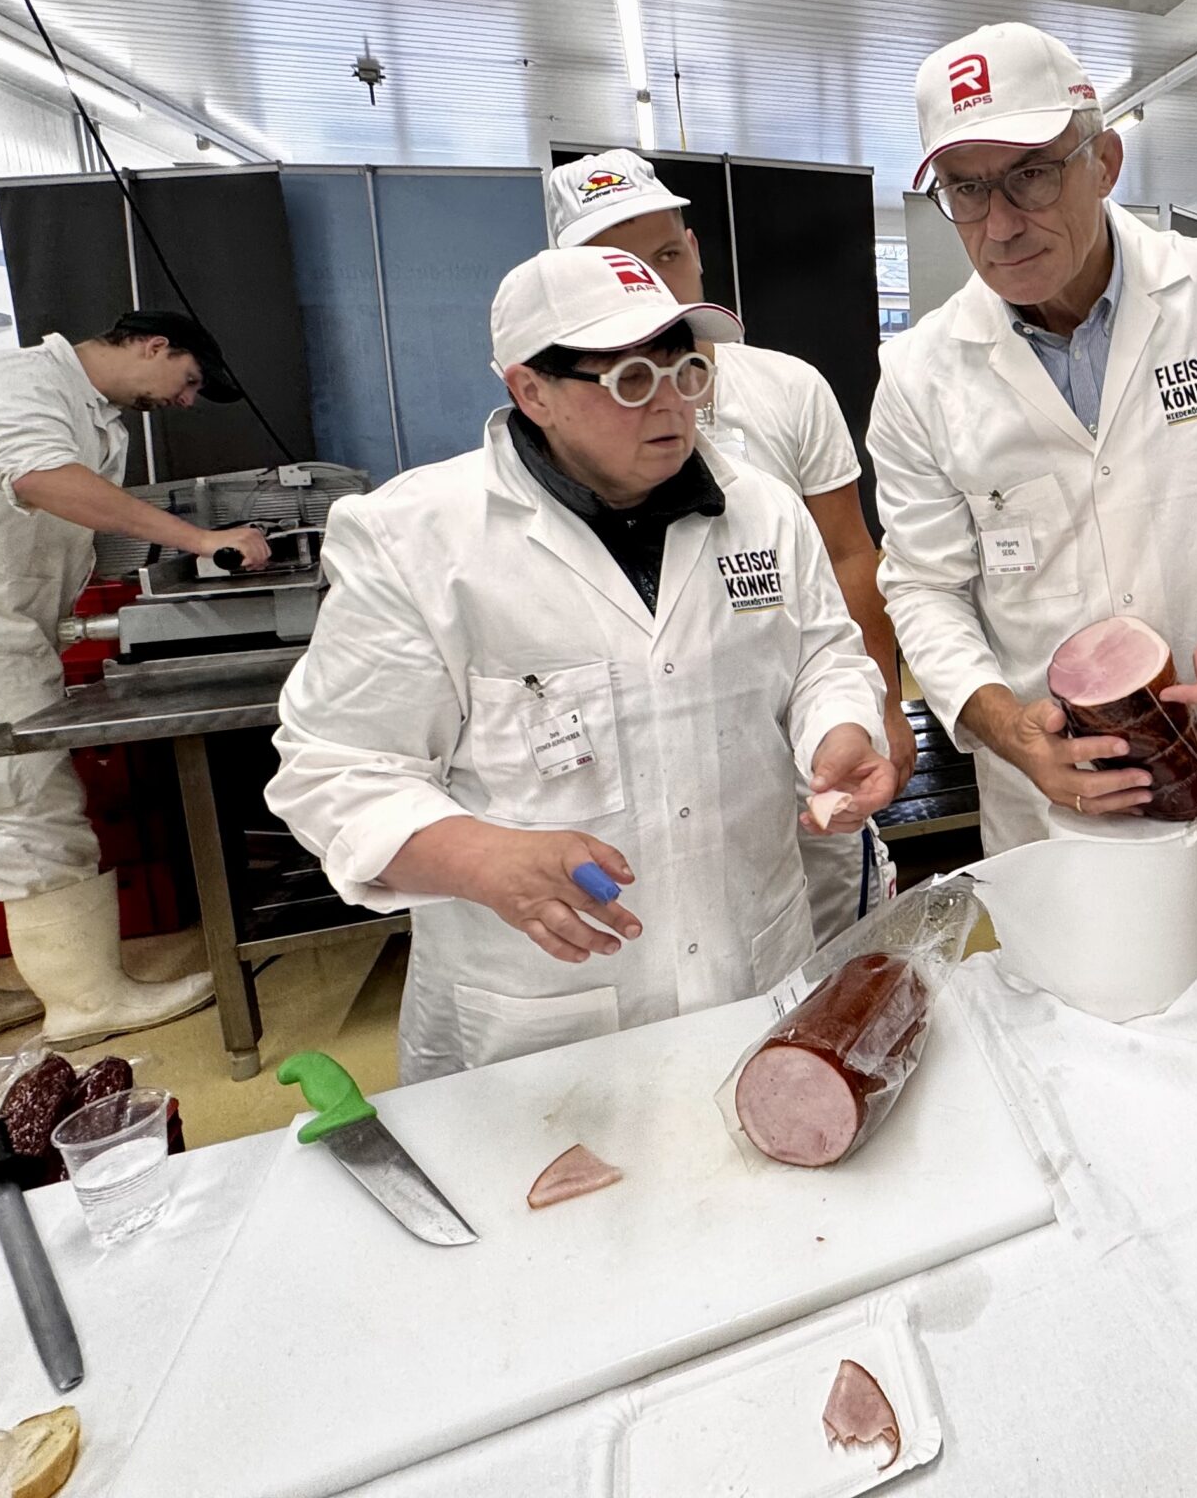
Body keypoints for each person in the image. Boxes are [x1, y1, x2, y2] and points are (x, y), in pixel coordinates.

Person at [265, 246, 895, 1082]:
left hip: (754, 964)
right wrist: (481, 859)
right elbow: (335, 771)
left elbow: (821, 654)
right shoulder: (416, 542)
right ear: (532, 391)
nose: (671, 406)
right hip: (545, 1016)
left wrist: (837, 730)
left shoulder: (762, 511)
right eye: (631, 380)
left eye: (687, 372)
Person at [868, 23, 1197, 1062]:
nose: (999, 222)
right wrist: (1005, 729)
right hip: (1057, 771)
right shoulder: (919, 374)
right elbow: (920, 584)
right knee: (1086, 1039)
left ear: (1103, 159)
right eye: (964, 189)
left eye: (1030, 174)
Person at [0, 312, 263, 1052]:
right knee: (23, 818)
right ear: (153, 345)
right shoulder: (15, 379)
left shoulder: (95, 418)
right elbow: (40, 480)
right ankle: (88, 1000)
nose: (186, 399)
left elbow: (67, 522)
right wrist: (202, 540)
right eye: (189, 379)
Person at [543, 149, 915, 941]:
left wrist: (882, 702)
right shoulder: (572, 424)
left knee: (834, 941)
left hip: (810, 727)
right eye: (614, 266)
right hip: (655, 759)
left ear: (696, 251)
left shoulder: (786, 389)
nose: (651, 287)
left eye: (666, 255)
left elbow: (850, 555)